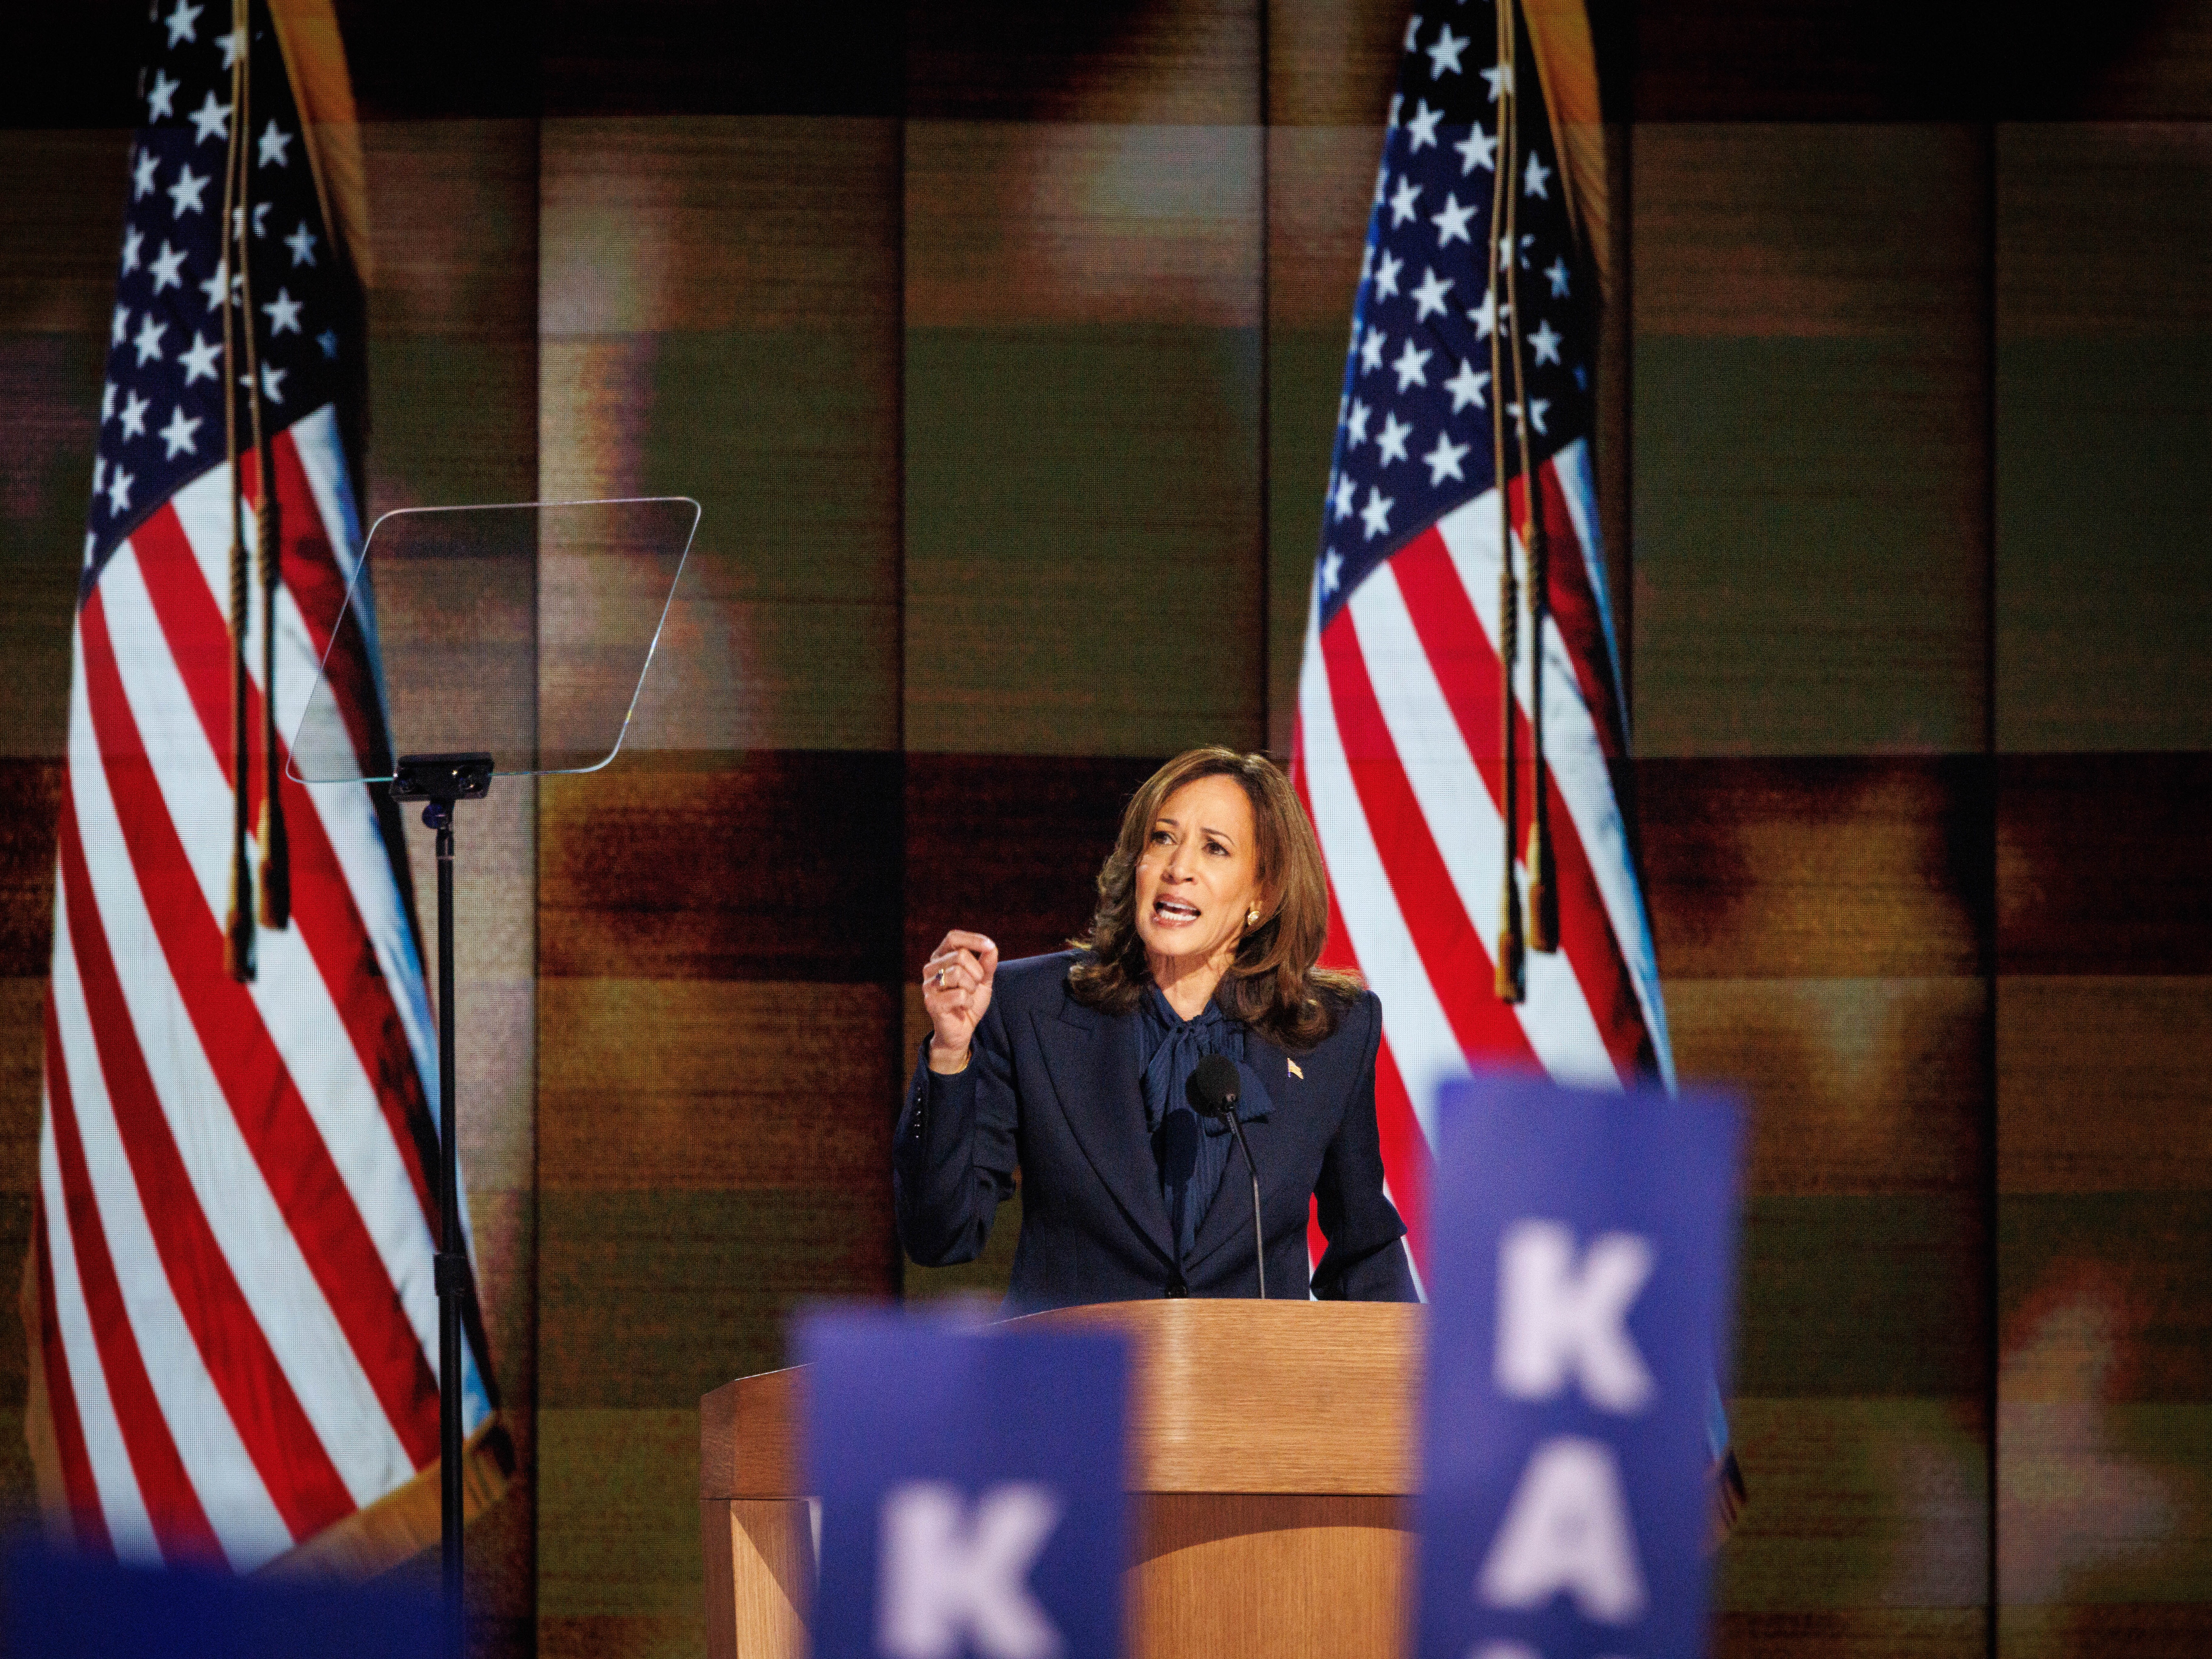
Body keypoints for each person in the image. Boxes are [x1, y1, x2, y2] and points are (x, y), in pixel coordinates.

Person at [896, 746, 1418, 1308]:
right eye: (1162, 839)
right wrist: (950, 1055)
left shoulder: (1329, 1033)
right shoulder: (1031, 1010)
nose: (1178, 868)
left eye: (1214, 848)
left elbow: (1364, 1250)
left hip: (1248, 1388)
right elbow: (940, 1236)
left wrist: (1417, 1385)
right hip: (1078, 1382)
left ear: (1261, 897)